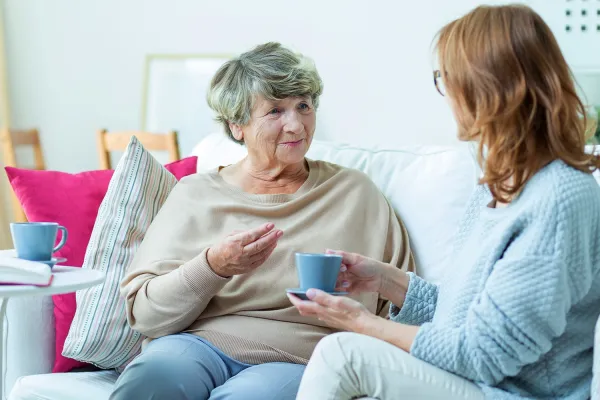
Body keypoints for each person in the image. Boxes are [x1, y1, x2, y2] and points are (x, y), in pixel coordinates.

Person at [289, 5, 600, 400]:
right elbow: (466, 320)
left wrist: (362, 323)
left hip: (516, 393)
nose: (446, 92)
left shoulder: (559, 197)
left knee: (343, 355)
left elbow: (485, 355)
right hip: (476, 382)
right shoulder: (497, 186)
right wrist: (385, 280)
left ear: (488, 85)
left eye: (446, 78)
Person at [109, 42, 414, 400]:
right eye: (275, 111)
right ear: (237, 125)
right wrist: (213, 267)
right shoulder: (195, 195)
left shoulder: (354, 193)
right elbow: (146, 315)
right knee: (149, 381)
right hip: (197, 346)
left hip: (300, 358)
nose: (296, 124)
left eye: (303, 106)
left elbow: (405, 306)